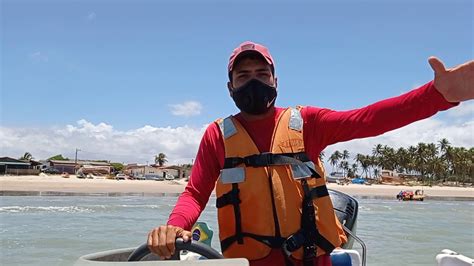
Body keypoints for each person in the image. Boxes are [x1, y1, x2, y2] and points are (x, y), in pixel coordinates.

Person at [148, 41, 473, 266]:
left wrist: (437, 96)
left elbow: (369, 118)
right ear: (230, 87)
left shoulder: (309, 123)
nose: (253, 83)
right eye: (243, 76)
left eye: (262, 75)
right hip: (248, 262)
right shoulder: (216, 135)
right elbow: (194, 192)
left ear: (276, 81)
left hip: (314, 260)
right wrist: (175, 226)